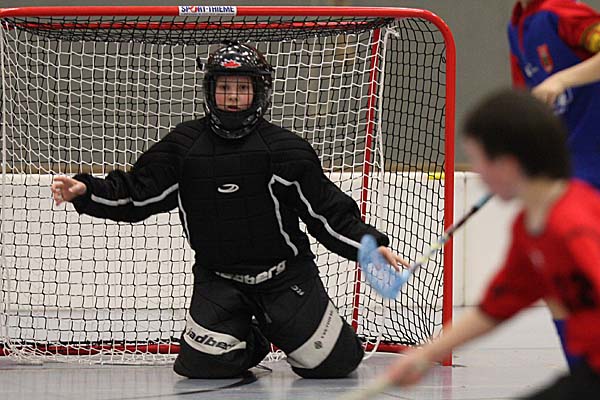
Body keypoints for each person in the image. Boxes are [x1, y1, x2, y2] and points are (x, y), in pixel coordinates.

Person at [51, 42, 406, 379]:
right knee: (201, 367)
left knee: (335, 364)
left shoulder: (286, 151)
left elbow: (328, 212)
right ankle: (254, 339)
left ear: (259, 92)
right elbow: (136, 193)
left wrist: (369, 244)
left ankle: (285, 323)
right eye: (224, 88)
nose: (233, 97)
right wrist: (86, 191)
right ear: (210, 91)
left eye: (242, 88)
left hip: (286, 280)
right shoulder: (184, 148)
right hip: (218, 281)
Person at [385, 89, 600, 399]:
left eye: (478, 159)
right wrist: (424, 355)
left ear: (508, 164)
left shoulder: (573, 224)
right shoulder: (529, 227)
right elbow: (497, 306)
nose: (477, 171)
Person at [508, 0, 600, 369]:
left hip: (593, 161)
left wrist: (562, 79)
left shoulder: (564, 14)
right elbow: (528, 104)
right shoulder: (517, 27)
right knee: (558, 281)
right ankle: (584, 373)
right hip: (563, 170)